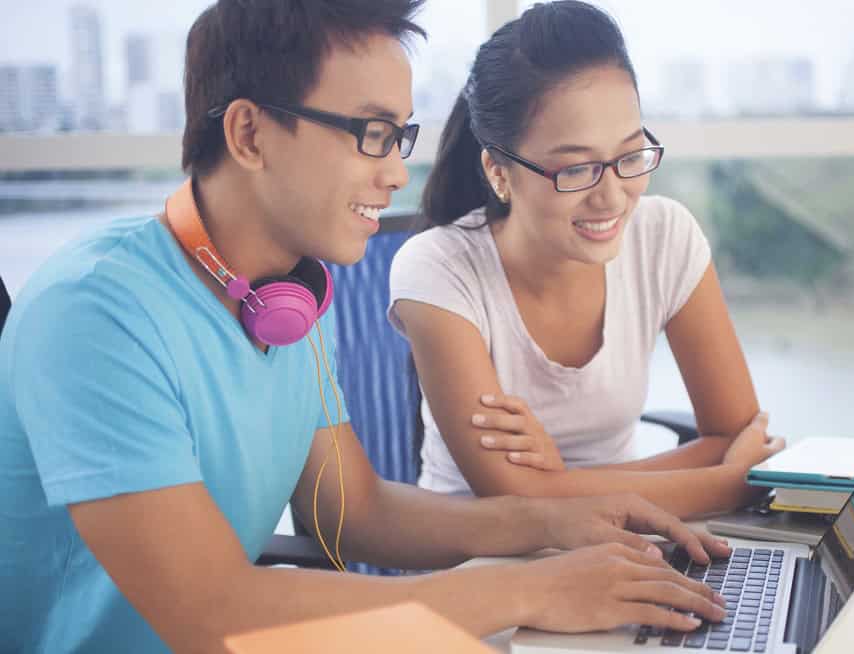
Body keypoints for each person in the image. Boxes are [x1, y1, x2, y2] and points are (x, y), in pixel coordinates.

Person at [0, 2, 733, 652]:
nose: (393, 174)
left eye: (400, 137)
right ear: (250, 133)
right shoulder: (97, 312)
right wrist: (535, 590)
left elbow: (352, 510)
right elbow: (209, 612)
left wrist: (553, 523)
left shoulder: (286, 296)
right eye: (371, 134)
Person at [389, 1, 785, 516]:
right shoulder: (438, 268)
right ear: (500, 172)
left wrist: (559, 482)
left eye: (629, 155)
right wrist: (728, 481)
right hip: (478, 563)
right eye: (576, 170)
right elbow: (512, 499)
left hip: (630, 544)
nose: (613, 196)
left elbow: (737, 433)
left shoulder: (665, 237)